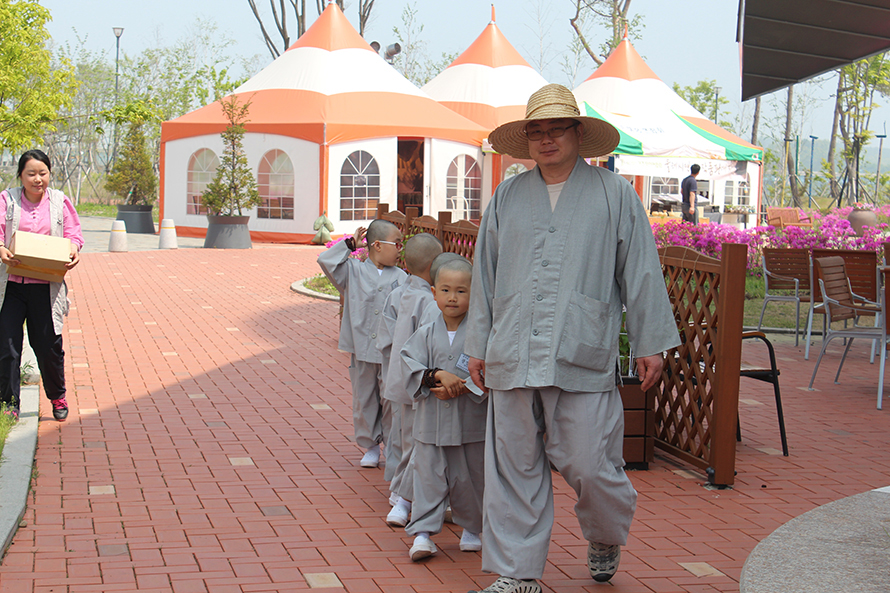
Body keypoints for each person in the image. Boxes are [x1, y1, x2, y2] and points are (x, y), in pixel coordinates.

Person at [465, 84, 680, 593]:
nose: (546, 139)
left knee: (590, 463)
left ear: (578, 133)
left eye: (556, 129)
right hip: (513, 347)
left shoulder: (614, 194)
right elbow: (485, 274)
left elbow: (640, 270)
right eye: (536, 131)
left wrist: (650, 341)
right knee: (514, 465)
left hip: (581, 347)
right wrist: (477, 344)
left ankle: (604, 533)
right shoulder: (507, 196)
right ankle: (519, 572)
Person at [399, 257, 486, 561]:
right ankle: (422, 534)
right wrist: (435, 375)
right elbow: (408, 362)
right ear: (434, 293)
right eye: (446, 290)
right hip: (431, 424)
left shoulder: (481, 335)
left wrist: (465, 386)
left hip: (469, 425)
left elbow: (493, 368)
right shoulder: (425, 332)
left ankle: (472, 530)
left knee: (471, 480)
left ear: (474, 294)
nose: (452, 298)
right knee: (427, 478)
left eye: (461, 291)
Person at [0, 150, 84, 421]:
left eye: (43, 173)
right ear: (21, 176)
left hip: (46, 287)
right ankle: (9, 404)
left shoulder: (59, 201)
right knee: (7, 347)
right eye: (31, 174)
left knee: (49, 346)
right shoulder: (7, 199)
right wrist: (1, 248)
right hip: (11, 287)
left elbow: (73, 233)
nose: (38, 179)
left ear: (49, 174)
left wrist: (73, 249)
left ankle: (57, 396)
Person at [318, 220, 407, 468]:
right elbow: (326, 261)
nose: (400, 249)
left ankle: (392, 445)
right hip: (361, 350)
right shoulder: (353, 271)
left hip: (390, 353)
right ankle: (370, 446)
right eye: (397, 244)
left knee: (391, 400)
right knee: (364, 399)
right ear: (377, 245)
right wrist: (350, 245)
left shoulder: (402, 278)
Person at [381, 233, 442, 527]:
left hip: (398, 378)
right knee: (419, 443)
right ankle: (403, 495)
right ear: (433, 266)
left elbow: (386, 341)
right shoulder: (430, 302)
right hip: (420, 381)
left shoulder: (397, 294)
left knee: (405, 440)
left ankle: (402, 494)